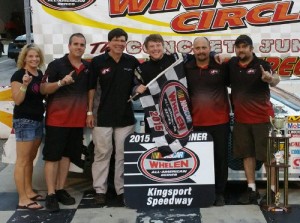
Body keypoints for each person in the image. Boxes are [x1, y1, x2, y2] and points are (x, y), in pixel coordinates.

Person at [86, 28, 140, 206]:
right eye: (116, 40)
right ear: (109, 42)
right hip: (101, 117)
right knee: (102, 154)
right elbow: (91, 89)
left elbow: (138, 83)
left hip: (125, 117)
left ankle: (121, 190)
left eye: (122, 40)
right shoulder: (98, 62)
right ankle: (100, 190)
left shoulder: (131, 61)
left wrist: (137, 89)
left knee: (122, 155)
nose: (119, 43)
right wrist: (89, 113)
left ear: (126, 43)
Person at [40, 33, 90, 212]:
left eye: (82, 44)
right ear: (69, 46)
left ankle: (60, 189)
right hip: (56, 120)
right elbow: (42, 88)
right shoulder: (56, 65)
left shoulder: (87, 66)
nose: (79, 47)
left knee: (67, 157)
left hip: (76, 121)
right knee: (52, 157)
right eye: (75, 44)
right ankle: (51, 194)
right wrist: (61, 82)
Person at [228, 35, 280, 205]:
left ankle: (273, 192)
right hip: (241, 120)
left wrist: (270, 79)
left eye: (244, 46)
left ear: (251, 48)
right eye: (238, 47)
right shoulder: (232, 65)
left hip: (262, 119)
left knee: (268, 157)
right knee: (247, 155)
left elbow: (275, 80)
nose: (241, 50)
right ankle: (252, 190)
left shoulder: (262, 65)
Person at [134, 34, 220, 133]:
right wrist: (136, 89)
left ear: (163, 46)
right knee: (157, 147)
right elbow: (134, 93)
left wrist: (214, 54)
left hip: (179, 115)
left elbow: (198, 56)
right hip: (156, 118)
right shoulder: (141, 69)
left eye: (158, 45)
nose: (155, 49)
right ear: (146, 49)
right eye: (152, 46)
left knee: (183, 146)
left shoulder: (176, 58)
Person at [184, 37, 230, 206]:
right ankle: (200, 191)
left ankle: (219, 193)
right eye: (198, 48)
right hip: (195, 123)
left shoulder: (221, 65)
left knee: (220, 159)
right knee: (197, 159)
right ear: (193, 49)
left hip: (220, 121)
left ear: (210, 48)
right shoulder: (186, 67)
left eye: (204, 47)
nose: (201, 51)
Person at [11, 43, 45, 210]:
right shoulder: (18, 75)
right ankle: (22, 198)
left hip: (38, 120)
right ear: (24, 57)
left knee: (31, 159)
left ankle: (29, 191)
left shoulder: (40, 74)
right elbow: (17, 100)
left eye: (37, 56)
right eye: (31, 56)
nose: (34, 59)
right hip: (24, 120)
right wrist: (24, 84)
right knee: (22, 161)